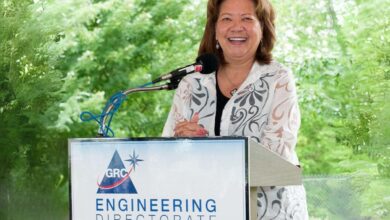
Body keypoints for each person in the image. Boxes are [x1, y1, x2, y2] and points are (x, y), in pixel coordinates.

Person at [163, 0, 309, 219]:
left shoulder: (278, 79)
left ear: (263, 28)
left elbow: (275, 152)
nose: (236, 27)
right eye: (227, 19)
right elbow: (166, 155)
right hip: (208, 210)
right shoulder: (191, 84)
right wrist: (181, 142)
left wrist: (202, 151)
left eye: (247, 19)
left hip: (270, 212)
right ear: (214, 29)